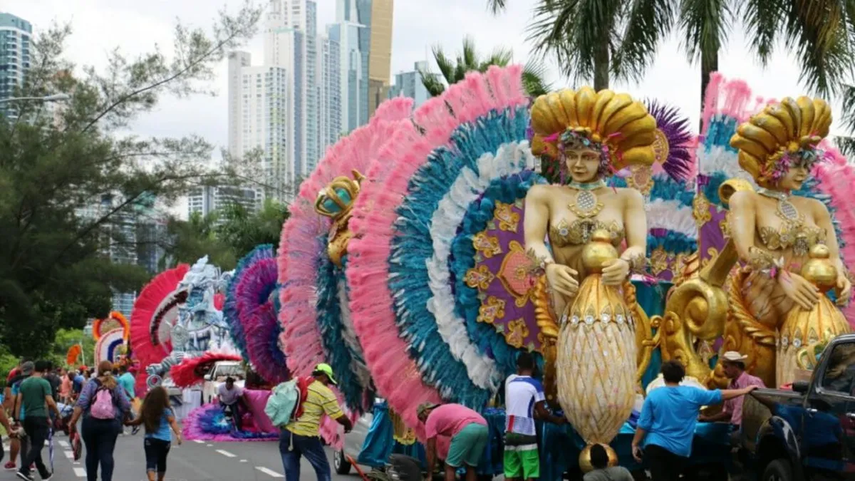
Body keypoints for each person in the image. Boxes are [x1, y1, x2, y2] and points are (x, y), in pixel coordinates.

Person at [631, 361, 759, 481]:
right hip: (679, 449)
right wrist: (744, 391)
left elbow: (644, 424)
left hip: (656, 445)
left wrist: (635, 444)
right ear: (682, 376)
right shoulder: (692, 394)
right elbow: (719, 394)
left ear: (663, 376)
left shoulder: (654, 394)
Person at [280, 363, 352, 481]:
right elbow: (339, 417)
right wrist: (348, 425)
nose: (328, 384)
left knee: (291, 472)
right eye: (327, 380)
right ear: (323, 376)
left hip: (286, 434)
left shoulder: (298, 383)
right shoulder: (324, 391)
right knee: (322, 469)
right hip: (306, 435)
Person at [504, 352, 565, 481]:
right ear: (533, 365)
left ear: (517, 367)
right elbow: (542, 412)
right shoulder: (535, 384)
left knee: (510, 472)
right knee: (529, 472)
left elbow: (517, 407)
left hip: (509, 432)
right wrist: (557, 420)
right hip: (526, 433)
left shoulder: (510, 383)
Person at [68, 360, 131, 481]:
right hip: (110, 424)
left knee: (91, 453)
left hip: (90, 423)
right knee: (106, 454)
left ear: (99, 370)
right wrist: (124, 419)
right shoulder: (116, 384)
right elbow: (126, 405)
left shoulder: (91, 384)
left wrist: (73, 421)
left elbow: (81, 404)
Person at [14, 360, 61, 480]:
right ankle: (24, 469)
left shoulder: (24, 383)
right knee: (38, 445)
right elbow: (49, 402)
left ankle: (44, 473)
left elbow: (19, 401)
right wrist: (57, 414)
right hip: (39, 417)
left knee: (35, 445)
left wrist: (17, 418)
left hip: (28, 418)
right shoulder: (44, 383)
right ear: (45, 371)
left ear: (34, 368)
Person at [418, 402, 488, 481]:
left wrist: (429, 475)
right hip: (483, 425)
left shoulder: (431, 417)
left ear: (425, 412)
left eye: (422, 419)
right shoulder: (446, 408)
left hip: (466, 427)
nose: (424, 423)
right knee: (471, 466)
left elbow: (430, 450)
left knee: (450, 467)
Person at [126, 386, 182, 481]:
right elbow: (172, 422)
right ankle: (160, 479)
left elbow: (139, 421)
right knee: (162, 461)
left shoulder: (147, 409)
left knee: (150, 460)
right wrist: (178, 434)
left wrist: (128, 423)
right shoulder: (166, 410)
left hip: (150, 439)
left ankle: (151, 479)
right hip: (165, 440)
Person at [699, 351, 766, 428]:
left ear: (736, 366)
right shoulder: (731, 385)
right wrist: (708, 419)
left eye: (726, 367)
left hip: (750, 429)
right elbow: (728, 412)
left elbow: (763, 407)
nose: (723, 370)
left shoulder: (753, 381)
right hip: (734, 428)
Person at [5, 360, 32, 471]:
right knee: (30, 439)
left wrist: (10, 414)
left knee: (16, 437)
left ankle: (12, 461)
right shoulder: (36, 381)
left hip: (18, 414)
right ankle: (30, 462)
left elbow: (11, 399)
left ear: (21, 368)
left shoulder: (13, 382)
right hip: (32, 413)